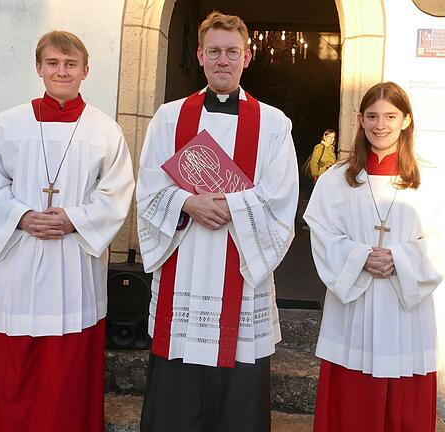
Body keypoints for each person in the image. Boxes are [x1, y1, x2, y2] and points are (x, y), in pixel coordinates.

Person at [136, 11, 299, 432]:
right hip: (185, 259)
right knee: (178, 372)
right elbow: (149, 185)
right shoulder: (169, 117)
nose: (222, 60)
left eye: (232, 52)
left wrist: (230, 207)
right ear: (200, 56)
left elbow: (281, 196)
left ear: (247, 58)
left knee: (238, 378)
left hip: (240, 268)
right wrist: (187, 203)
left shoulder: (274, 124)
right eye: (214, 52)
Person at [0, 31, 135, 432]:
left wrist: (73, 218)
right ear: (39, 68)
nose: (62, 71)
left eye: (71, 64)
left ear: (85, 70)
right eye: (53, 63)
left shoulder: (104, 131)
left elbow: (116, 193)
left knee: (67, 366)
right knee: (13, 365)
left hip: (72, 260)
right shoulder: (7, 125)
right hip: (19, 260)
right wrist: (22, 217)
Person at [304, 82, 445, 432]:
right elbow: (321, 233)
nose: (380, 124)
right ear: (360, 119)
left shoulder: (429, 180)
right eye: (372, 116)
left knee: (403, 405)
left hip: (406, 311)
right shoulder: (337, 180)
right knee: (351, 402)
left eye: (390, 116)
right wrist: (359, 256)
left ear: (406, 120)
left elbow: (443, 239)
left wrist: (400, 259)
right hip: (353, 307)